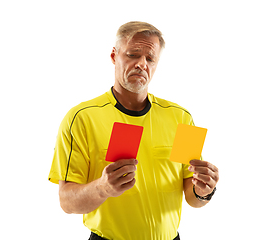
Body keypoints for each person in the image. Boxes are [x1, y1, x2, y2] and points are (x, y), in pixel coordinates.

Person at [48, 21, 219, 240]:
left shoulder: (182, 117)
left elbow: (192, 196)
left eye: (150, 58)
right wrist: (102, 188)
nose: (141, 64)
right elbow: (66, 202)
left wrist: (204, 191)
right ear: (114, 56)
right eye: (132, 55)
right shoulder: (81, 118)